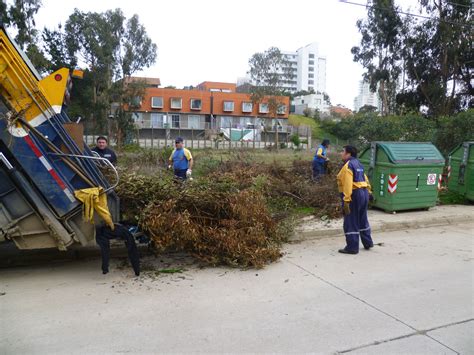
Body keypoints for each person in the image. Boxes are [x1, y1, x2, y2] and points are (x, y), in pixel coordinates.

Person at [336, 145, 374, 254]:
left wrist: (346, 200)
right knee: (362, 219)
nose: (341, 153)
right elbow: (365, 178)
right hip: (364, 193)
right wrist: (369, 192)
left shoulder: (348, 165)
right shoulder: (358, 163)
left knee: (350, 221)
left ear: (348, 154)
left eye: (342, 151)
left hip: (354, 195)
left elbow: (348, 183)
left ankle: (352, 247)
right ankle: (368, 242)